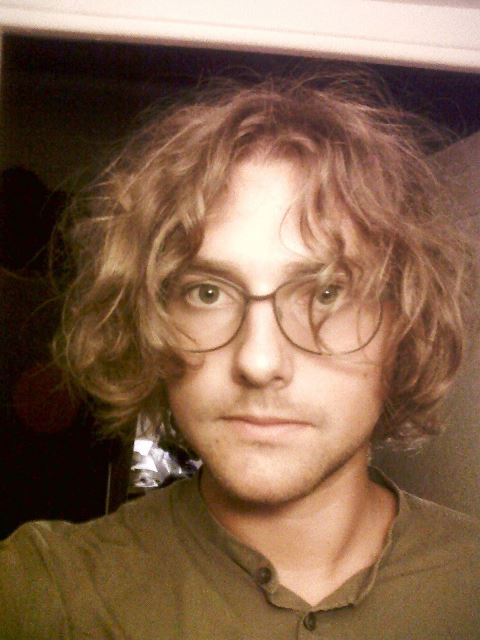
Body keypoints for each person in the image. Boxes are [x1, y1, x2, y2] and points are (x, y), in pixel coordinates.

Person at [0, 75, 479, 639]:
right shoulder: (47, 593)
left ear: (405, 320)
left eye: (327, 292)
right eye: (208, 292)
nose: (258, 360)